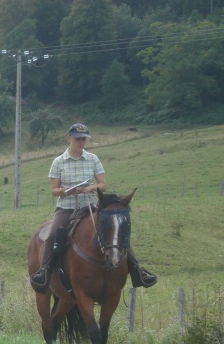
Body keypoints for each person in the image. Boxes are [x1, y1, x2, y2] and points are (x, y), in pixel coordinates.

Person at [29, 123, 157, 292]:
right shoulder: (58, 162)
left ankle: (137, 270)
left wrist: (89, 188)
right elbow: (54, 191)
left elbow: (103, 185)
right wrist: (68, 191)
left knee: (115, 231)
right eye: (77, 139)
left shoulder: (93, 159)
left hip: (91, 205)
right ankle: (44, 271)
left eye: (83, 139)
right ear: (69, 138)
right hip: (66, 207)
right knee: (52, 235)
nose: (80, 142)